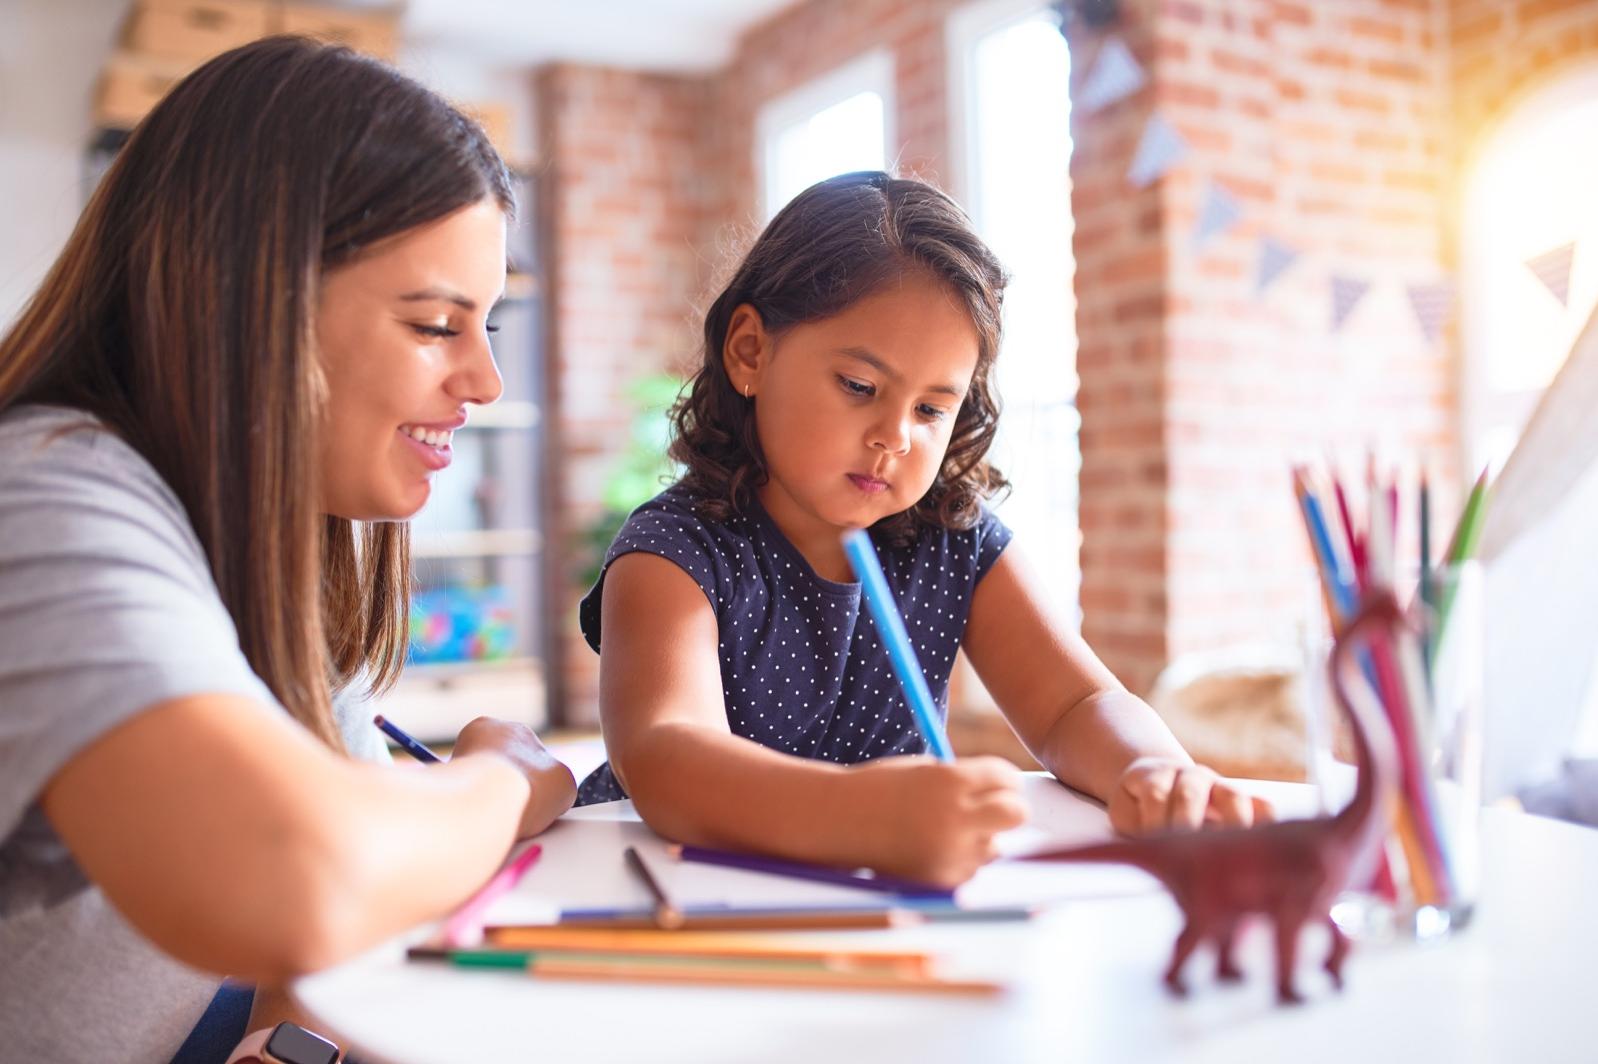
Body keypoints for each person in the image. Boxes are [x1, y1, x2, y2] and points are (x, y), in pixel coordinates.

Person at [0, 37, 575, 1062]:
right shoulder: (45, 496)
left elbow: (315, 928)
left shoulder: (280, 533)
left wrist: (291, 1033)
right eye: (437, 324)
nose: (485, 380)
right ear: (250, 301)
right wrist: (499, 783)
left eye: (485, 324)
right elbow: (296, 873)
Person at [577, 171, 1272, 887]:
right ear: (751, 352)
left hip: (880, 909)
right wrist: (860, 818)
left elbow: (1076, 705)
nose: (895, 436)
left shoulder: (955, 541)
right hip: (672, 899)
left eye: (932, 409)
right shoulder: (674, 551)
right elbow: (664, 754)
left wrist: (1151, 769)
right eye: (859, 387)